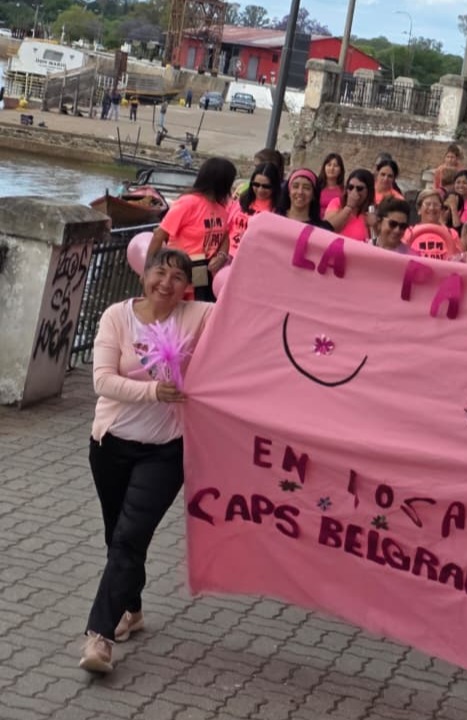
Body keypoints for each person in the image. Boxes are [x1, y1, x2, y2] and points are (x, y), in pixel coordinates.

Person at [79, 248, 215, 674]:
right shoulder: (117, 318)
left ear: (186, 286)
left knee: (129, 538)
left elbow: (244, 309)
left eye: (178, 277)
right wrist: (153, 391)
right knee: (116, 536)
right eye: (160, 272)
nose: (167, 283)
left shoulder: (196, 316)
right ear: (144, 275)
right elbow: (102, 380)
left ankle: (99, 639)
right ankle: (131, 610)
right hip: (111, 445)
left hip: (165, 451)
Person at [147, 157, 237, 302]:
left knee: (193, 316)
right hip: (177, 272)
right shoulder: (188, 203)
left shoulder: (222, 209)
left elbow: (225, 236)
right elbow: (159, 235)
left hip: (202, 275)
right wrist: (148, 271)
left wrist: (221, 256)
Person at [228, 162, 282, 254]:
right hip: (228, 255)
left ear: (275, 186)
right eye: (256, 184)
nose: (260, 190)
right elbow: (227, 229)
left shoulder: (278, 210)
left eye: (266, 186)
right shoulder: (241, 200)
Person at [323, 168, 376, 242]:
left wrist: (374, 226)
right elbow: (328, 228)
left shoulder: (371, 210)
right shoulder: (337, 203)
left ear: (369, 191)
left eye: (359, 188)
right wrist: (348, 207)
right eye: (350, 187)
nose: (354, 192)